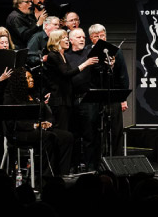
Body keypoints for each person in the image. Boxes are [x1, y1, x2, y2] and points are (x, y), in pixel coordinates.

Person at [4, 68, 74, 176]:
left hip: (39, 130)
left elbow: (48, 114)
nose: (31, 79)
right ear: (20, 81)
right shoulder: (11, 98)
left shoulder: (34, 96)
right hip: (21, 133)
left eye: (31, 77)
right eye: (27, 78)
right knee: (48, 137)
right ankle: (47, 176)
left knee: (67, 136)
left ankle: (62, 173)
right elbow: (12, 123)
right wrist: (35, 125)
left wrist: (48, 122)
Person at [43, 29, 97, 131]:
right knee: (61, 130)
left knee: (68, 130)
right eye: (64, 38)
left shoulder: (62, 55)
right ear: (56, 41)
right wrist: (86, 63)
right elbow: (66, 74)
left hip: (66, 98)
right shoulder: (53, 55)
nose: (67, 40)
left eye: (67, 38)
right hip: (59, 99)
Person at [88, 23, 130, 155]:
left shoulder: (116, 51)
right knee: (97, 130)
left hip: (114, 96)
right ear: (91, 38)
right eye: (96, 36)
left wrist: (123, 99)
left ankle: (116, 161)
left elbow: (123, 75)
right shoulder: (87, 52)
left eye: (102, 35)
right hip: (95, 97)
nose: (101, 38)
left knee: (116, 130)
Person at [65, 28, 103, 169]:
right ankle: (73, 166)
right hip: (72, 100)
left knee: (90, 136)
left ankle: (91, 167)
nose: (82, 39)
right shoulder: (66, 56)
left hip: (89, 100)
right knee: (73, 136)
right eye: (78, 37)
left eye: (83, 37)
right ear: (71, 40)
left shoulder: (89, 53)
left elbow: (101, 69)